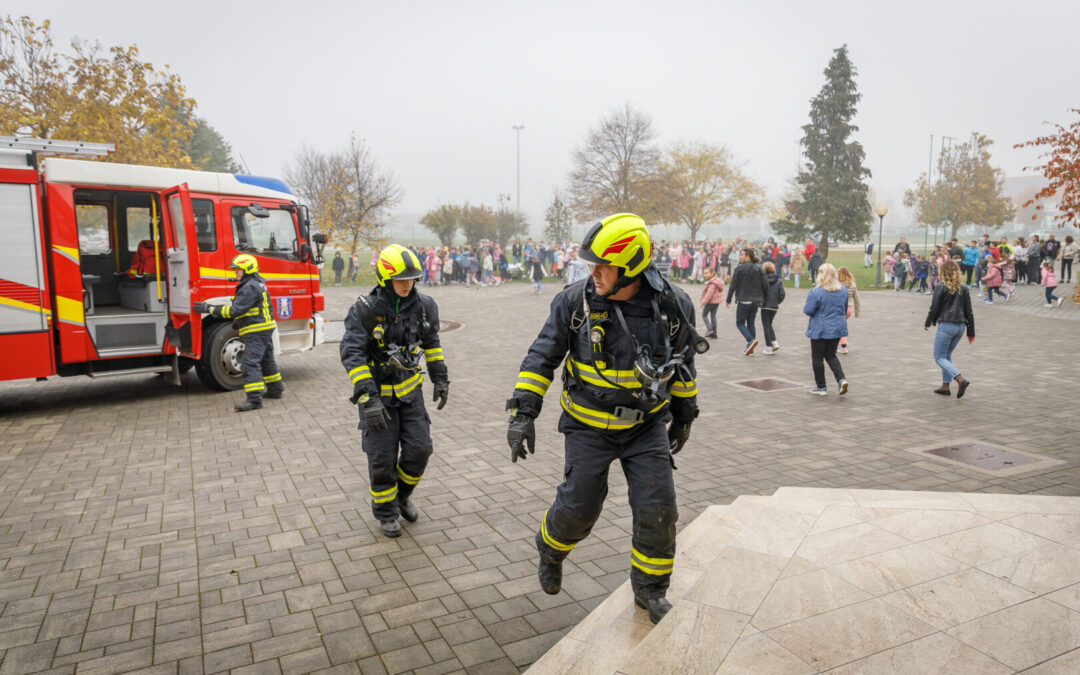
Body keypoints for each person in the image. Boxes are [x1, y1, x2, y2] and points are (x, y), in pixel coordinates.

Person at [504, 213, 700, 625]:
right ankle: (550, 548)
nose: (593, 273)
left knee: (658, 509)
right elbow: (542, 357)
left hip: (645, 428)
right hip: (587, 425)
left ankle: (650, 591)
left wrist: (684, 415)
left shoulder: (674, 307)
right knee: (579, 507)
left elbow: (682, 368)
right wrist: (524, 411)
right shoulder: (573, 302)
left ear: (629, 267)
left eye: (602, 266)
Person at [340, 244, 449, 538]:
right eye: (401, 279)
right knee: (382, 458)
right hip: (377, 400)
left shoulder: (425, 306)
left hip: (411, 394)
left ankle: (401, 497)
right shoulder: (364, 310)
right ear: (385, 278)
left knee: (420, 449)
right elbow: (352, 354)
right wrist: (368, 397)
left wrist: (440, 377)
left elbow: (432, 343)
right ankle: (386, 512)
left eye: (411, 278)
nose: (407, 284)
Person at [194, 255, 283, 412]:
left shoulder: (249, 287)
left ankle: (254, 400)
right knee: (266, 359)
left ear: (247, 269)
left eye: (238, 269)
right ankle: (276, 389)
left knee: (249, 362)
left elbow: (234, 310)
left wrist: (208, 308)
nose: (235, 272)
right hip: (263, 328)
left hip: (256, 330)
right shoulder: (257, 284)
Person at [924, 260, 974, 398]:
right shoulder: (964, 288)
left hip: (947, 325)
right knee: (946, 356)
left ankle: (960, 379)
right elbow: (969, 311)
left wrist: (928, 323)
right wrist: (971, 332)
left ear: (942, 272)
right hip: (960, 327)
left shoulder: (940, 287)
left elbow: (934, 308)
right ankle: (945, 387)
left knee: (939, 357)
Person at [803, 263, 848, 396]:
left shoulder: (816, 292)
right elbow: (844, 308)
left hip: (820, 327)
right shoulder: (843, 290)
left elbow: (808, 310)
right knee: (831, 355)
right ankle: (841, 379)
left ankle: (821, 386)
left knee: (817, 357)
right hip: (837, 326)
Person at [725, 248, 768, 356]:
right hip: (755, 301)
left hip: (744, 300)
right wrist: (763, 298)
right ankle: (751, 349)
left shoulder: (739, 269)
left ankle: (750, 340)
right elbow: (766, 285)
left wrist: (728, 299)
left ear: (747, 255)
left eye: (742, 255)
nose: (740, 257)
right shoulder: (759, 268)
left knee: (740, 323)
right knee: (751, 323)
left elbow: (733, 285)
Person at [760, 261, 785, 355]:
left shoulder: (763, 280)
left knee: (766, 326)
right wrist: (777, 301)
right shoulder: (778, 280)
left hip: (765, 306)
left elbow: (761, 292)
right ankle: (774, 342)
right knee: (769, 325)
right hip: (774, 306)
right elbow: (782, 294)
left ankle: (768, 347)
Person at [835, 266, 860, 354]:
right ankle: (841, 345)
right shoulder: (852, 284)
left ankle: (843, 345)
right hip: (849, 309)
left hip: (839, 308)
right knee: (841, 326)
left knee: (836, 327)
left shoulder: (837, 284)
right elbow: (856, 299)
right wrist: (857, 312)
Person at [700, 266, 725, 338]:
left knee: (704, 315)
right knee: (713, 316)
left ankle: (710, 329)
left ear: (712, 273)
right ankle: (714, 334)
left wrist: (703, 302)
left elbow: (709, 294)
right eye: (704, 273)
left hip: (710, 302)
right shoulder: (717, 280)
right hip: (716, 302)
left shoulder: (712, 283)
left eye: (707, 273)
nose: (705, 275)